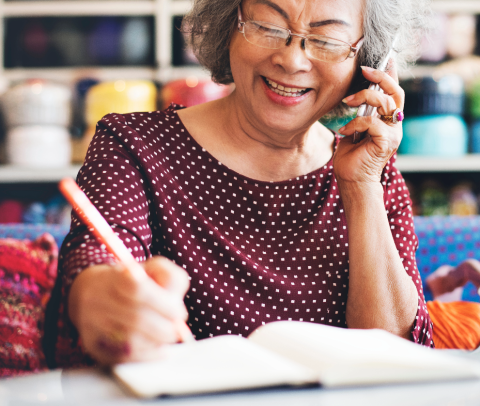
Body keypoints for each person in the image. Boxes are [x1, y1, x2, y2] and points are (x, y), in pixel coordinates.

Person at [44, 0, 433, 368]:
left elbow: (397, 359)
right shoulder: (134, 146)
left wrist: (361, 187)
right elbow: (94, 264)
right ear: (230, 23)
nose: (291, 59)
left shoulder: (370, 171)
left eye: (326, 41)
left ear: (369, 62)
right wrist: (99, 299)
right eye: (267, 26)